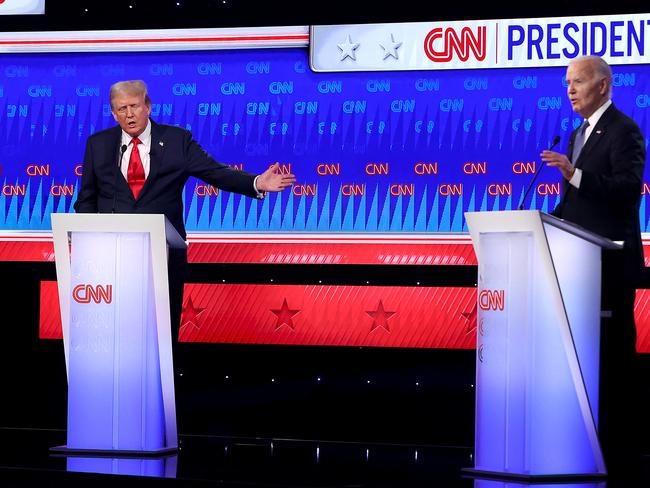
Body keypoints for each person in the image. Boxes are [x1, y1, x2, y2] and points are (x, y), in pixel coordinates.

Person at [74, 79, 296, 341]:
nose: (129, 114)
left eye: (134, 106)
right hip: (112, 257)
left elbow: (215, 173)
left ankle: (162, 382)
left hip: (163, 254)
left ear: (148, 106)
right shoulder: (99, 144)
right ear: (113, 113)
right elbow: (87, 198)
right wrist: (87, 245)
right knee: (114, 332)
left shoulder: (177, 140)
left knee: (161, 332)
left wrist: (256, 182)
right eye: (121, 109)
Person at [541, 56, 646, 477]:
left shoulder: (624, 130)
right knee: (585, 363)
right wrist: (546, 223)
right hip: (578, 271)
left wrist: (575, 174)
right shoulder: (577, 134)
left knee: (614, 362)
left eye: (577, 82)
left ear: (603, 86)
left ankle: (622, 453)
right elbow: (574, 205)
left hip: (611, 266)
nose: (569, 89)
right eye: (567, 82)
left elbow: (626, 191)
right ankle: (584, 444)